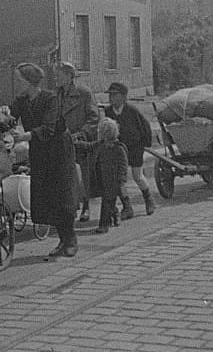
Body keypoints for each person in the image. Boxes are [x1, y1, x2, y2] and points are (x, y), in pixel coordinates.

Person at [9, 62, 78, 258]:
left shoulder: (50, 99)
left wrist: (24, 137)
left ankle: (70, 239)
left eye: (19, 80)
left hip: (58, 151)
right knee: (47, 196)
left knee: (62, 194)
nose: (17, 83)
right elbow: (10, 118)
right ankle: (63, 240)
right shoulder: (22, 100)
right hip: (40, 151)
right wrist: (4, 112)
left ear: (29, 82)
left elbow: (48, 128)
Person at [52, 61, 99, 223]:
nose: (56, 78)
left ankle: (86, 207)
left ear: (69, 76)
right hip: (62, 141)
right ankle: (69, 208)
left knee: (83, 176)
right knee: (64, 176)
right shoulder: (55, 95)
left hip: (81, 142)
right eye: (55, 74)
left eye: (58, 74)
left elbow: (94, 117)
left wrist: (81, 134)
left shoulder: (84, 93)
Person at [103, 82, 156, 219]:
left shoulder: (132, 110)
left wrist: (145, 144)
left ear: (123, 97)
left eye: (115, 95)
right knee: (119, 179)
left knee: (137, 175)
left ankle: (149, 200)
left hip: (135, 147)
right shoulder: (108, 111)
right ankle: (127, 207)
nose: (111, 98)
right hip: (119, 149)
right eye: (110, 95)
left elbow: (145, 127)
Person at [85, 118, 128, 234]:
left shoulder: (118, 148)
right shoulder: (100, 144)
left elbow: (123, 165)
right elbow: (88, 146)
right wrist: (76, 144)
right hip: (101, 178)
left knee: (107, 202)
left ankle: (104, 224)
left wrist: (121, 179)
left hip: (113, 180)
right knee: (109, 202)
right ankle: (115, 213)